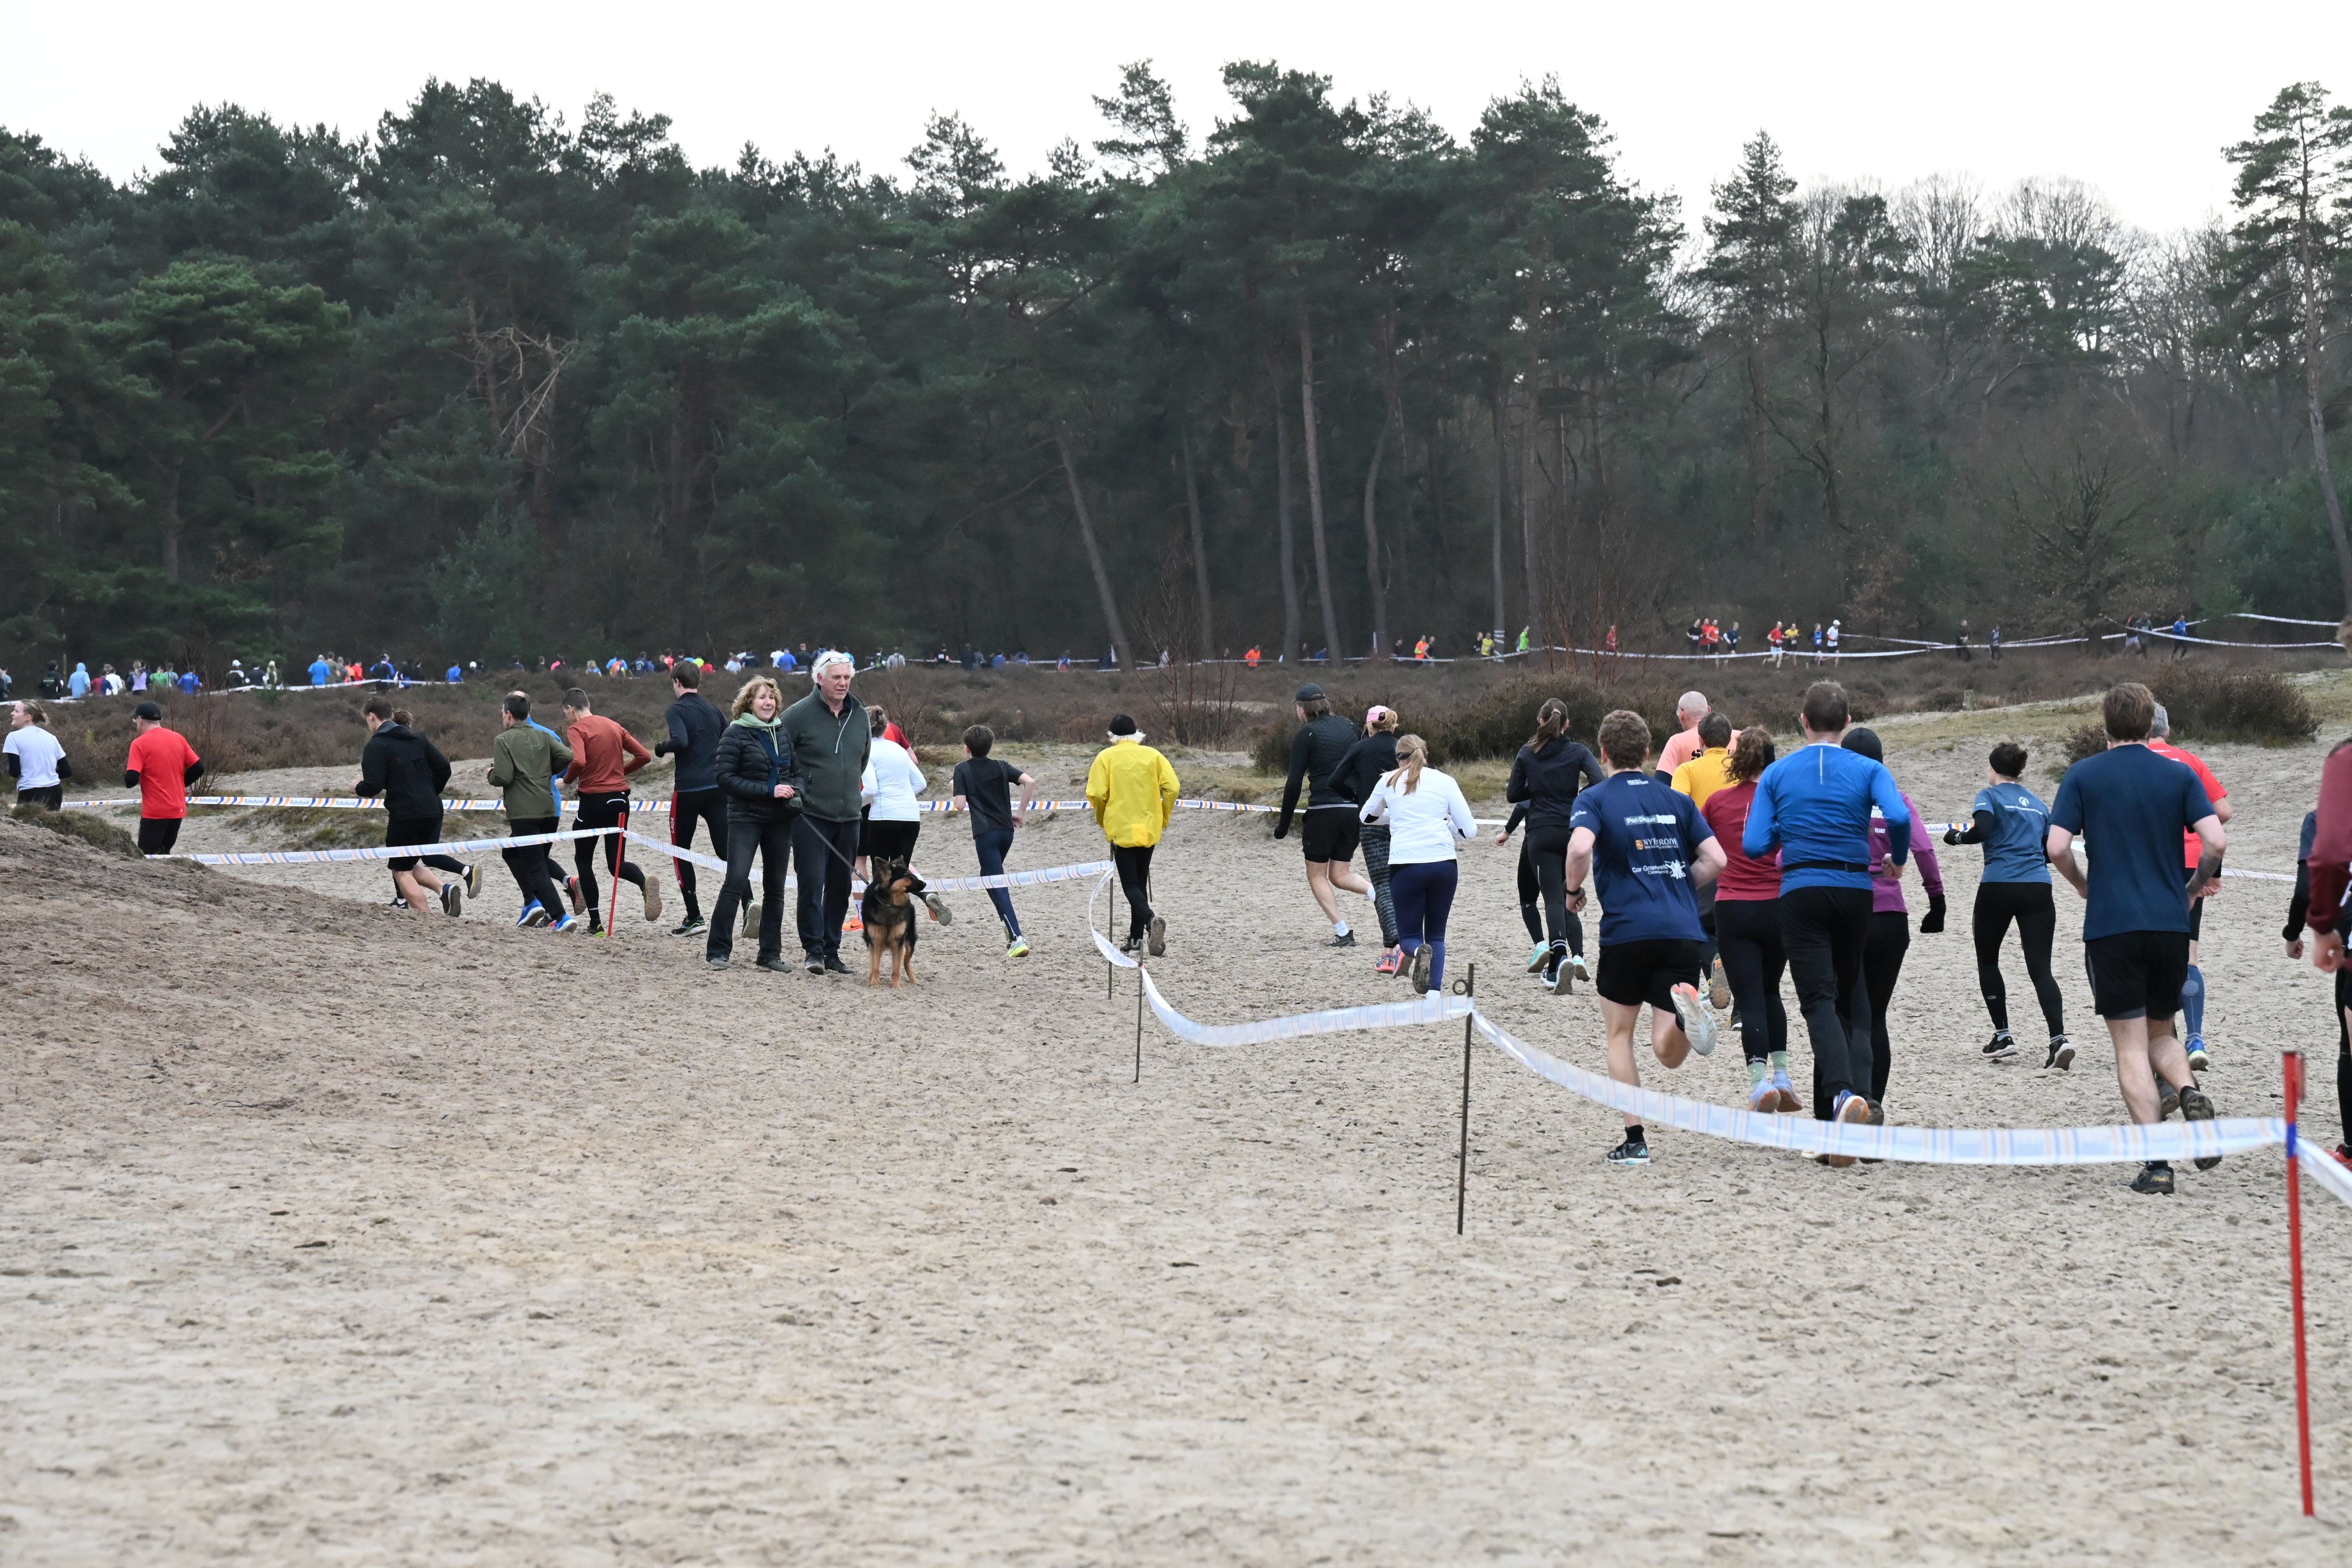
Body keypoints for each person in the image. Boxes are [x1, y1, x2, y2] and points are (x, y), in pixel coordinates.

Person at [2049, 682, 2226, 1194]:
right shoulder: (2178, 774)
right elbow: (2216, 840)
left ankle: (2158, 1166)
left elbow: (2056, 846)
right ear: (2151, 724)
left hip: (2113, 923)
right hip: (2169, 922)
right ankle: (2187, 1089)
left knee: (2129, 1046)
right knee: (2162, 1033)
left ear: (2105, 725)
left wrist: (2083, 883)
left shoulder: (2083, 775)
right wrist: (2193, 887)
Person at [1742, 681, 1910, 1164]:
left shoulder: (1778, 772)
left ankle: (1841, 1096)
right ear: (1848, 722)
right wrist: (1897, 859)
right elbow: (1899, 816)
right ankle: (1862, 1100)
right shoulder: (1869, 768)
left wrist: (1788, 830)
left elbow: (1754, 845)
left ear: (1803, 721)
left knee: (1818, 999)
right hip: (1855, 888)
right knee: (1854, 998)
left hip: (1802, 888)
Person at [1563, 709, 1727, 1166]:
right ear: (1649, 752)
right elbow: (1717, 859)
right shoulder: (1675, 799)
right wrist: (1681, 887)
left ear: (1603, 752)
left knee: (1620, 1034)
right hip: (1681, 928)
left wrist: (1573, 892)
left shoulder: (1595, 798)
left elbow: (1579, 847)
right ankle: (1685, 1021)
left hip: (1627, 930)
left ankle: (1635, 1140)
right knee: (1666, 1051)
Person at [1836, 728, 1944, 1113]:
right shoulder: (1897, 800)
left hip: (1846, 910)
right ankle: (1874, 1102)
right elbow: (1923, 849)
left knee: (1844, 1015)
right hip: (1890, 917)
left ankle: (1842, 1100)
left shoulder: (1836, 799)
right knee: (1876, 1017)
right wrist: (1936, 898)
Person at [1945, 742, 2069, 1067]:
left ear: (1993, 768)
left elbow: (1983, 830)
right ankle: (2058, 1039)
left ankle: (2003, 1035)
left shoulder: (1989, 796)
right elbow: (2050, 850)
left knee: (1988, 961)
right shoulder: (2039, 804)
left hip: (1998, 886)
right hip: (2038, 887)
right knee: (2041, 970)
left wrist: (1957, 837)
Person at [1704, 729, 1798, 1112]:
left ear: (1736, 760)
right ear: (1773, 761)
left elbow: (1699, 849)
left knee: (1750, 997)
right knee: (1772, 991)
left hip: (1733, 907)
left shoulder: (1716, 802)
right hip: (1778, 906)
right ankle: (1783, 1076)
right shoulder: (1785, 802)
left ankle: (1760, 1084)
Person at [1501, 697, 1605, 993]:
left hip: (1541, 831)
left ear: (1540, 721)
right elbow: (1599, 781)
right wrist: (1577, 795)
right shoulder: (1579, 751)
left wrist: (1536, 787)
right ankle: (1575, 954)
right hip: (1571, 829)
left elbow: (1512, 795)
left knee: (1552, 899)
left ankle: (1558, 960)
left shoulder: (1527, 752)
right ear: (1567, 724)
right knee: (1567, 893)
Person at [1359, 734, 1477, 993]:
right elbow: (1469, 831)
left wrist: (1394, 816)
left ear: (1398, 758)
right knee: (1437, 936)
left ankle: (1417, 951)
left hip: (1406, 866)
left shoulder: (1388, 781)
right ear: (1424, 754)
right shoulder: (1445, 781)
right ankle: (1434, 997)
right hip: (1443, 865)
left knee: (1409, 938)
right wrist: (1447, 826)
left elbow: (1367, 816)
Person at [2148, 704, 2231, 1070]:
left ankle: (2161, 1038)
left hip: (2151, 860)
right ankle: (2195, 1038)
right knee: (2188, 953)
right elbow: (2223, 811)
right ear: (2168, 729)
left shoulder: (2132, 761)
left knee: (2148, 950)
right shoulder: (2190, 761)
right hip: (2193, 862)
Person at [781, 651, 869, 975]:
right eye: (836, 678)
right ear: (820, 679)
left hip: (850, 816)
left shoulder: (860, 715)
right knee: (812, 884)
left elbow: (862, 760)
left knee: (840, 887)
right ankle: (814, 951)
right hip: (810, 817)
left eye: (847, 678)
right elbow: (781, 758)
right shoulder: (797, 715)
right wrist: (798, 791)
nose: (843, 683)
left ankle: (832, 951)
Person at [706, 675, 802, 971]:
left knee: (776, 889)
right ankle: (718, 950)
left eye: (772, 698)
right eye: (762, 697)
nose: (768, 702)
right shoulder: (734, 734)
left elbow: (797, 773)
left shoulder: (781, 732)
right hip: (745, 818)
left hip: (780, 819)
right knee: (735, 882)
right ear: (749, 703)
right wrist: (768, 791)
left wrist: (798, 793)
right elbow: (725, 779)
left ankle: (770, 954)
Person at [1272, 683, 1372, 946]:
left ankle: (1343, 932)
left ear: (1302, 709)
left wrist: (1284, 824)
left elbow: (1294, 782)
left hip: (1323, 811)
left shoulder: (1306, 735)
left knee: (1317, 875)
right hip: (1353, 811)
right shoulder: (1351, 727)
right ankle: (1380, 895)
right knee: (1340, 875)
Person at [2285, 794, 2352, 1167]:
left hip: (2349, 944)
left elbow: (2304, 889)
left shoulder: (2323, 819)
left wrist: (2294, 932)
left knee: (2350, 1047)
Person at [561, 687, 658, 935]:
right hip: (620, 800)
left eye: (566, 713)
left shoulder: (577, 729)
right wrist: (619, 773)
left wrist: (567, 781)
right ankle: (643, 883)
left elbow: (579, 761)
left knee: (583, 860)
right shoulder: (614, 725)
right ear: (589, 704)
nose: (567, 718)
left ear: (570, 709)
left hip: (594, 801)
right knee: (616, 863)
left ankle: (596, 924)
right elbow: (644, 756)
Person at [354, 696, 462, 915]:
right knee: (409, 863)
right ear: (391, 715)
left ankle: (427, 918)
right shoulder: (417, 738)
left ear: (372, 717)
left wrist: (356, 788)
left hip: (405, 814)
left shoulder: (376, 745)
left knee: (400, 871)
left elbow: (373, 786)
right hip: (432, 810)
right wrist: (431, 792)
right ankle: (444, 889)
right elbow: (444, 767)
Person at [1085, 714, 1178, 955]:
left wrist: (1102, 819)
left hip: (1121, 829)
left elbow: (1097, 794)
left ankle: (1150, 920)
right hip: (1149, 828)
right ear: (1137, 734)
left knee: (1129, 885)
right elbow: (1173, 788)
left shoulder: (1105, 757)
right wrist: (1164, 816)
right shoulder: (1153, 755)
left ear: (1111, 736)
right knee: (1140, 882)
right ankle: (1136, 940)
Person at [486, 693, 579, 932]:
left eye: (502, 713)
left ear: (509, 715)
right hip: (549, 810)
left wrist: (491, 774)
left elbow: (503, 777)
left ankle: (560, 916)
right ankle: (531, 901)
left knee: (536, 867)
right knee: (512, 853)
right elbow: (568, 756)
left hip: (524, 813)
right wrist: (547, 770)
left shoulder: (503, 740)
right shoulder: (544, 735)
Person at [1670, 709, 1739, 1008]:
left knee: (1695, 923)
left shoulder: (1687, 770)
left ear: (1700, 740)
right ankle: (1735, 1002)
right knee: (1731, 927)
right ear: (1730, 739)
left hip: (1703, 854)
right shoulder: (1741, 769)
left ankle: (1714, 972)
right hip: (1740, 856)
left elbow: (1677, 813)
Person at [951, 724, 1038, 958]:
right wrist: (1020, 813)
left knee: (997, 882)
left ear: (967, 748)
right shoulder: (1001, 766)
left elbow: (959, 805)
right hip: (1006, 832)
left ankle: (1017, 937)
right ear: (990, 746)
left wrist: (954, 789)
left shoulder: (962, 769)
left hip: (986, 834)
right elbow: (1030, 782)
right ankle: (1009, 931)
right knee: (988, 877)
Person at [655, 662, 728, 937]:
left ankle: (695, 916)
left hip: (688, 790)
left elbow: (681, 741)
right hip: (717, 788)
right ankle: (749, 903)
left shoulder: (676, 710)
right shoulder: (713, 710)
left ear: (677, 682)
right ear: (698, 681)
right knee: (726, 850)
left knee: (680, 851)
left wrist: (661, 748)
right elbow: (729, 738)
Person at [1333, 706, 1405, 974]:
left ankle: (1397, 946)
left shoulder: (1360, 748)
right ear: (1393, 726)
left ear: (1369, 726)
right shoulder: (1404, 748)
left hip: (1372, 823)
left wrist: (1356, 797)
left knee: (1382, 885)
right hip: (1402, 821)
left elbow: (1335, 780)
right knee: (1401, 883)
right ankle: (1391, 951)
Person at [860, 709, 949, 923]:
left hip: (883, 817)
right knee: (902, 872)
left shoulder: (867, 751)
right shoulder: (899, 749)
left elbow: (870, 790)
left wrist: (855, 806)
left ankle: (881, 920)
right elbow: (921, 783)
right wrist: (904, 796)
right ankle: (904, 918)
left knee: (881, 874)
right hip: (910, 816)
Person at [123, 701, 202, 855]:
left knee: (147, 857)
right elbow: (199, 768)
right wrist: (181, 784)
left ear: (141, 720)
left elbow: (131, 780)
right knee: (165, 854)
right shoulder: (178, 738)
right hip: (177, 809)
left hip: (155, 812)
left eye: (136, 720)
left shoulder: (139, 744)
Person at [5, 699, 70, 809]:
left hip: (30, 791)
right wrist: (45, 776)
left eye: (16, 711)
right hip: (55, 791)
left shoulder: (13, 737)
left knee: (25, 821)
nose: (12, 713)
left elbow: (15, 772)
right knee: (51, 821)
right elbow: (67, 771)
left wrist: (7, 769)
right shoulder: (51, 737)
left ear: (28, 717)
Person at [1657, 691, 1711, 776]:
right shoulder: (1733, 737)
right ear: (1709, 711)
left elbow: (1662, 780)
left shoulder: (1677, 742)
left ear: (1682, 714)